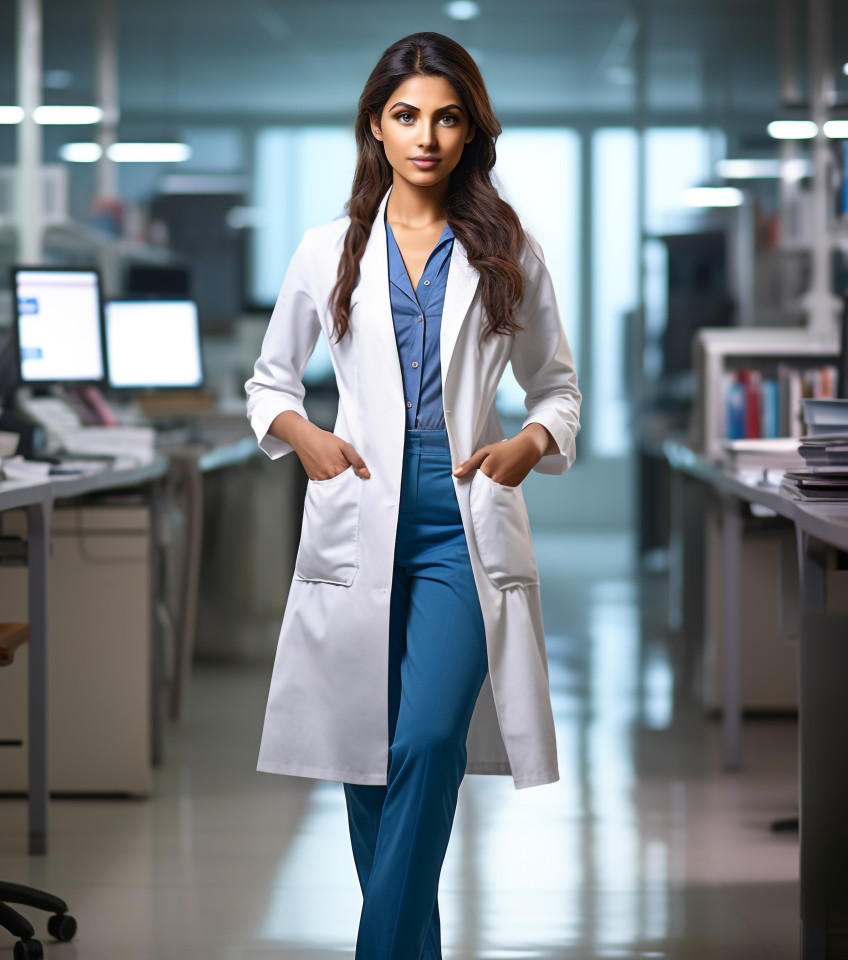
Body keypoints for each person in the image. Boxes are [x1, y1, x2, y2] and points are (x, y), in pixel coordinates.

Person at [245, 31, 582, 960]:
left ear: (471, 131)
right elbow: (268, 383)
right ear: (376, 128)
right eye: (406, 116)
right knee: (365, 752)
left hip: (462, 525)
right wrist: (304, 435)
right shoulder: (327, 250)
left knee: (426, 742)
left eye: (446, 117)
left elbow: (559, 387)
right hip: (358, 513)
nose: (426, 136)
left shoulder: (508, 247)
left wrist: (529, 442)